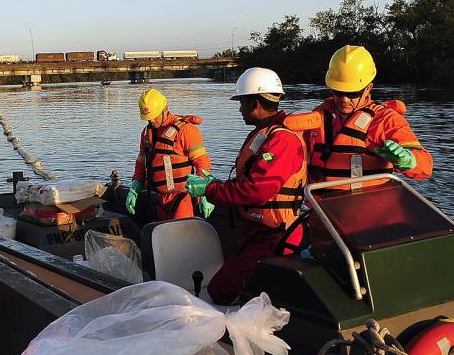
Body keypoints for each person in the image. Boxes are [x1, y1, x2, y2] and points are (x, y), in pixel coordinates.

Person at [185, 68, 306, 305]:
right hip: (257, 230)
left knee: (221, 291)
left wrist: (210, 190)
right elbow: (249, 182)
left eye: (242, 103)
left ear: (255, 103)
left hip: (274, 235)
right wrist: (215, 185)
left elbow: (257, 190)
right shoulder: (266, 134)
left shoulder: (282, 140)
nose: (240, 109)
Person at [284, 45, 432, 190]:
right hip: (318, 203)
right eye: (338, 92)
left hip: (365, 203)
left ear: (368, 88)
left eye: (352, 93)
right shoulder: (318, 115)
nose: (344, 100)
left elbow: (426, 166)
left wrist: (407, 160)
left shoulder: (385, 120)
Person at [126, 88, 213, 222]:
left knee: (180, 232)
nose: (152, 121)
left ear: (165, 109)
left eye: (155, 116)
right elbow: (141, 162)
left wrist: (205, 193)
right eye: (148, 118)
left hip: (182, 198)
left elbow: (202, 163)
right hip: (159, 199)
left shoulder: (185, 130)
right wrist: (135, 186)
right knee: (161, 233)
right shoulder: (146, 134)